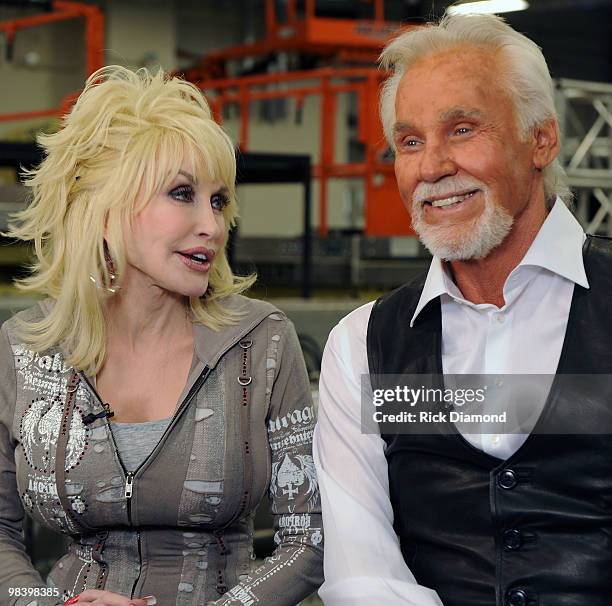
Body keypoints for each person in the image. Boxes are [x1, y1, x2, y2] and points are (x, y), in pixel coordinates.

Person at [314, 12, 612, 606]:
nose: (432, 167)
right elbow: (361, 569)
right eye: (410, 141)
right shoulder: (362, 346)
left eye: (463, 129)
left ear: (541, 140)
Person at [0, 66, 323, 606]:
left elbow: (309, 540)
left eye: (219, 201)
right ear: (104, 210)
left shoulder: (262, 344)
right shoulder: (25, 348)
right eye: (182, 194)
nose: (213, 225)